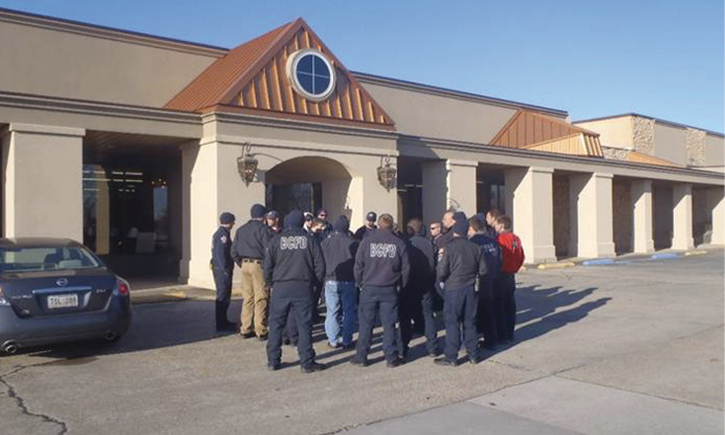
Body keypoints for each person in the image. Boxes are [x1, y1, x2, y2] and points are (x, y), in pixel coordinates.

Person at [264, 210, 326, 373]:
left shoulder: (276, 240)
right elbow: (320, 265)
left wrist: (270, 283)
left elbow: (267, 266)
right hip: (302, 286)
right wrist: (314, 283)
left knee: (276, 324)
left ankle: (273, 360)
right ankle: (306, 362)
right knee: (304, 325)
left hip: (280, 286)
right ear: (302, 223)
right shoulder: (310, 240)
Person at [351, 213, 409, 368]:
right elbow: (406, 269)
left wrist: (360, 283)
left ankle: (362, 356)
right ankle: (391, 357)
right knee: (389, 324)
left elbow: (358, 266)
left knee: (366, 324)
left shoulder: (367, 242)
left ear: (378, 224)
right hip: (389, 288)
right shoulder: (398, 243)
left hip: (369, 287)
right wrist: (401, 285)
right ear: (392, 226)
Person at [435, 219, 487, 366]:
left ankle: (451, 356)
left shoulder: (449, 247)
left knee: (452, 322)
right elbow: (483, 270)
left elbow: (442, 270)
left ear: (455, 231)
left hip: (453, 289)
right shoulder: (476, 247)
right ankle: (473, 355)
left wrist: (442, 279)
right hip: (470, 288)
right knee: (469, 322)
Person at [232, 204, 273, 340]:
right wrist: (268, 268)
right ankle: (260, 329)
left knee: (247, 297)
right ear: (264, 216)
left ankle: (245, 328)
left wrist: (241, 263)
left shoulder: (241, 230)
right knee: (261, 296)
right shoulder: (263, 230)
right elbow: (268, 250)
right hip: (258, 264)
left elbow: (233, 251)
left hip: (244, 264)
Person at [401, 218, 438, 357]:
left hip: (409, 285)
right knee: (428, 316)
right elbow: (434, 264)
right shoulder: (429, 243)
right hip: (426, 283)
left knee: (405, 317)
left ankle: (403, 348)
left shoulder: (406, 243)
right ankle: (433, 347)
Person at [321, 216, 359, 349]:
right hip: (349, 280)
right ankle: (347, 340)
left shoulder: (325, 243)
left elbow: (321, 262)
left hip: (330, 279)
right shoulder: (353, 243)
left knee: (332, 311)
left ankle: (332, 340)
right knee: (349, 311)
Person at [468, 217, 501, 350]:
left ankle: (472, 342)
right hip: (491, 280)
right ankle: (491, 340)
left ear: (472, 228)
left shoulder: (473, 243)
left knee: (474, 314)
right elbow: (499, 260)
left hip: (478, 282)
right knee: (489, 312)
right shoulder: (492, 242)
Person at [494, 215, 525, 344]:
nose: (495, 227)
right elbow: (521, 256)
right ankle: (510, 333)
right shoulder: (516, 239)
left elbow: (496, 257)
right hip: (511, 275)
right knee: (510, 305)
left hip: (501, 274)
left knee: (499, 306)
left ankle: (502, 335)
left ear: (501, 226)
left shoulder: (499, 239)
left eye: (496, 225)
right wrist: (515, 268)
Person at [211, 212, 237, 331]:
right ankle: (221, 324)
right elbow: (221, 255)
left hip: (221, 269)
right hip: (222, 271)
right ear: (229, 222)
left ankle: (224, 320)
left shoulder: (221, 234)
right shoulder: (222, 236)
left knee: (225, 296)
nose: (233, 224)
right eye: (232, 221)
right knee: (222, 296)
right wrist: (225, 270)